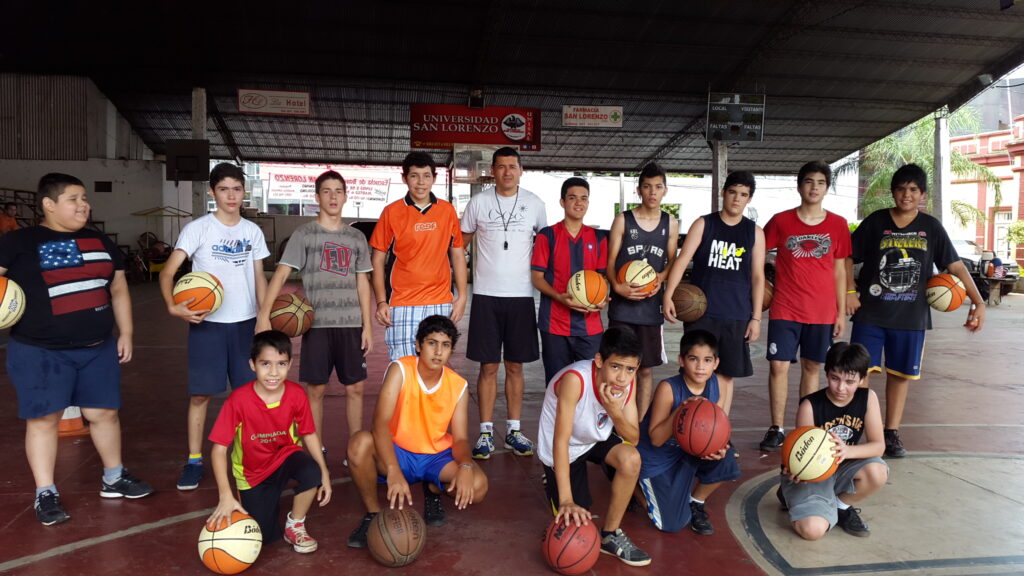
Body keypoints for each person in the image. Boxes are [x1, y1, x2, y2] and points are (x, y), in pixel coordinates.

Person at [0, 173, 153, 526]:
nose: (83, 204)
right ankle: (45, 492)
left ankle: (114, 477)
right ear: (48, 205)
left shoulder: (99, 241)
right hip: (40, 350)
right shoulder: (20, 242)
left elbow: (117, 288)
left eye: (84, 198)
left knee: (105, 414)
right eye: (73, 198)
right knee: (44, 420)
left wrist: (126, 332)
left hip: (97, 347)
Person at [845, 163, 985, 458]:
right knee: (859, 374)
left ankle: (890, 432)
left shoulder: (931, 227)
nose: (906, 195)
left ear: (922, 194)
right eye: (900, 189)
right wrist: (849, 291)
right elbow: (847, 256)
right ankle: (858, 427)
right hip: (871, 312)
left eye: (912, 190)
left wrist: (978, 300)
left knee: (900, 375)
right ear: (892, 192)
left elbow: (955, 265)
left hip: (911, 317)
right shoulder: (875, 221)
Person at [160, 163, 270, 491]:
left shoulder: (252, 231)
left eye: (237, 189)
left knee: (247, 395)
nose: (231, 195)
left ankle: (247, 455)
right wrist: (172, 306)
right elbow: (168, 273)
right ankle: (194, 460)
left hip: (245, 324)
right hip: (207, 324)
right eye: (224, 189)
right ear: (212, 193)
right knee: (200, 395)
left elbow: (259, 276)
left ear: (243, 192)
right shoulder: (198, 229)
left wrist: (263, 317)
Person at [346, 315, 488, 548]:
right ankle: (372, 514)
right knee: (359, 443)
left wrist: (465, 465)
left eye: (445, 345)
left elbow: (461, 438)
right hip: (398, 452)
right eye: (432, 343)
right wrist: (392, 470)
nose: (438, 351)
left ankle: (433, 487)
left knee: (479, 486)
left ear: (451, 350)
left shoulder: (458, 384)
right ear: (418, 345)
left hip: (435, 457)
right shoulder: (400, 369)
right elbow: (379, 424)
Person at [258, 170, 372, 458]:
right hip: (317, 325)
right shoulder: (304, 234)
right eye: (327, 191)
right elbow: (282, 273)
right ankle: (315, 449)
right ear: (317, 197)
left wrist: (367, 326)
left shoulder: (356, 237)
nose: (333, 196)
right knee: (316, 390)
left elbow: (362, 282)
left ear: (346, 196)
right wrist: (264, 315)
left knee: (356, 389)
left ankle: (355, 451)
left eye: (338, 191)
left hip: (350, 324)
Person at [207, 330, 331, 553]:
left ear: (290, 364)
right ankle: (251, 501)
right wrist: (224, 495)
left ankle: (295, 524)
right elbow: (218, 449)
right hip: (252, 473)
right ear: (252, 365)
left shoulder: (296, 394)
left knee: (311, 471)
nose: (274, 372)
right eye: (265, 364)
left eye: (281, 364)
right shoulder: (238, 400)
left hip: (284, 457)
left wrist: (324, 473)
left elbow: (309, 434)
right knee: (262, 538)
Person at [537, 325, 651, 567]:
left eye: (630, 369)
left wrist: (614, 411)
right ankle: (554, 480)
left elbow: (633, 437)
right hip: (562, 448)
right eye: (616, 366)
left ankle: (610, 534)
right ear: (599, 361)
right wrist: (567, 499)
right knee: (577, 521)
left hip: (594, 438)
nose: (622, 377)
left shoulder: (627, 384)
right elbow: (561, 440)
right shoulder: (575, 380)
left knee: (631, 459)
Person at [461, 147, 547, 459]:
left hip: (521, 297)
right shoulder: (479, 202)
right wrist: (457, 278)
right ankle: (485, 432)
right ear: (492, 171)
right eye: (501, 167)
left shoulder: (535, 204)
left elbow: (546, 247)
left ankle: (513, 430)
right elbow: (461, 242)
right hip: (485, 296)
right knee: (488, 366)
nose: (507, 172)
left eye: (512, 166)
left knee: (515, 366)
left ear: (521, 170)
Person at [759, 161, 850, 451]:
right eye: (809, 181)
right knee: (778, 365)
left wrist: (840, 312)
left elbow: (839, 270)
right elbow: (757, 252)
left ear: (827, 188)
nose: (814, 187)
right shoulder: (781, 221)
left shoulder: (837, 224)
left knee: (812, 367)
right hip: (785, 307)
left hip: (821, 311)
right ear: (799, 186)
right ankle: (776, 427)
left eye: (821, 182)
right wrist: (760, 285)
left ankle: (804, 429)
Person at [662, 171, 765, 414]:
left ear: (749, 199)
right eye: (732, 192)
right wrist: (668, 294)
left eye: (743, 195)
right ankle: (688, 425)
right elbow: (682, 259)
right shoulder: (704, 224)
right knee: (694, 372)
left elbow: (758, 276)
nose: (737, 199)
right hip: (701, 314)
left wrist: (756, 317)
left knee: (726, 376)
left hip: (737, 314)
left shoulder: (754, 232)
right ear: (723, 192)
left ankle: (719, 431)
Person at [778, 342, 888, 539]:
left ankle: (840, 506)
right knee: (812, 532)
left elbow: (879, 446)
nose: (841, 388)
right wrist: (796, 468)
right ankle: (792, 495)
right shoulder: (810, 405)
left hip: (843, 466)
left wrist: (847, 451)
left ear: (862, 379)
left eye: (850, 381)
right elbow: (801, 454)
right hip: (814, 473)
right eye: (835, 378)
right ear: (827, 373)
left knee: (877, 471)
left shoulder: (868, 398)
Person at [637, 329, 739, 535]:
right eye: (693, 359)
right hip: (658, 458)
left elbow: (712, 430)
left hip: (686, 451)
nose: (701, 366)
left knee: (727, 456)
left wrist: (717, 448)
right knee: (672, 524)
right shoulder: (668, 388)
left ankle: (696, 502)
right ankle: (632, 486)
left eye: (707, 360)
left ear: (716, 363)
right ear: (681, 361)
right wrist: (681, 411)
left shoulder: (717, 384)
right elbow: (656, 439)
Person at [370, 152, 468, 362]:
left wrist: (462, 297)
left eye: (426, 175)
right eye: (414, 176)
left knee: (435, 365)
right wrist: (380, 302)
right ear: (404, 178)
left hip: (440, 301)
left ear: (434, 178)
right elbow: (377, 260)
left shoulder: (447, 211)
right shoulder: (391, 212)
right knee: (403, 368)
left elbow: (458, 254)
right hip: (402, 302)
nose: (421, 182)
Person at [607, 162, 679, 420]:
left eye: (658, 187)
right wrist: (617, 287)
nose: (652, 192)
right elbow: (610, 262)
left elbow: (673, 262)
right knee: (617, 368)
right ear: (639, 190)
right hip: (623, 308)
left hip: (650, 309)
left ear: (665, 191)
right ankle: (616, 419)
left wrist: (660, 277)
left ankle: (639, 422)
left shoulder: (670, 223)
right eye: (647, 187)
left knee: (646, 369)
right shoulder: (623, 220)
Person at [531, 176, 608, 384]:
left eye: (584, 198)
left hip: (590, 326)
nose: (578, 203)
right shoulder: (548, 236)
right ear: (562, 202)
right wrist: (560, 297)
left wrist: (602, 298)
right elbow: (537, 278)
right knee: (557, 385)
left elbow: (601, 280)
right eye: (572, 198)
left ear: (588, 203)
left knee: (591, 384)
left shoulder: (599, 238)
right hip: (555, 324)